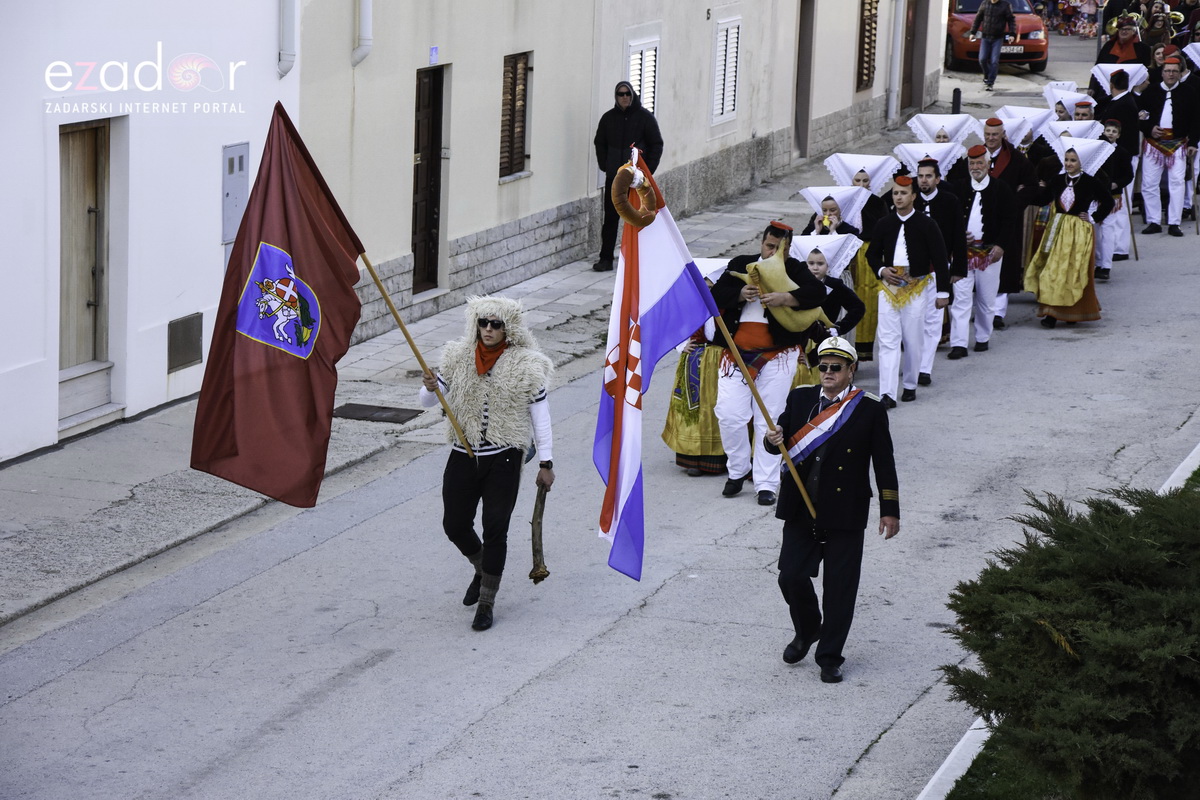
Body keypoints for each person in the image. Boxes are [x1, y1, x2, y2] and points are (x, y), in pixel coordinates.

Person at [763, 335, 899, 684]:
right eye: (822, 366)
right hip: (800, 508)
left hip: (845, 511)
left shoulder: (868, 408)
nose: (827, 372)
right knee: (790, 576)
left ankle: (829, 657)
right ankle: (808, 628)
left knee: (840, 588)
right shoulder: (801, 398)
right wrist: (771, 439)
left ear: (851, 370)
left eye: (835, 368)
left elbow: (884, 462)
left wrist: (890, 509)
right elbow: (779, 440)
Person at [418, 296, 554, 631]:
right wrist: (429, 387)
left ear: (508, 328)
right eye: (483, 323)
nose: (489, 330)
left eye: (496, 324)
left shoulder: (528, 364)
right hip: (463, 454)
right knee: (455, 524)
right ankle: (481, 569)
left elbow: (541, 418)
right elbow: (424, 401)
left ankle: (487, 602)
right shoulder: (457, 358)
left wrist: (546, 463)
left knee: (496, 528)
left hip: (504, 458)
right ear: (475, 324)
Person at [710, 222, 827, 506]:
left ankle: (767, 483)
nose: (772, 252)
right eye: (768, 246)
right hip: (737, 354)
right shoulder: (742, 264)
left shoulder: (795, 269)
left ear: (786, 249)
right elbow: (715, 296)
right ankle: (738, 470)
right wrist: (740, 295)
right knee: (728, 414)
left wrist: (785, 297)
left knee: (770, 420)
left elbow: (817, 294)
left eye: (778, 248)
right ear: (762, 243)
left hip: (779, 353)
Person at [866, 176, 950, 407]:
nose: (899, 197)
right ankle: (888, 393)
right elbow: (872, 254)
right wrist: (882, 269)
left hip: (917, 285)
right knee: (888, 340)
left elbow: (940, 259)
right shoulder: (884, 223)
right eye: (895, 193)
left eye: (903, 193)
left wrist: (943, 291)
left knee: (912, 339)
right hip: (889, 287)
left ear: (913, 196)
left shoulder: (927, 224)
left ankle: (910, 383)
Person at [1024, 140, 1116, 327]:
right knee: (1053, 270)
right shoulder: (1058, 180)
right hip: (1057, 228)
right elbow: (1043, 199)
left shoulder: (1090, 182)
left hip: (1078, 231)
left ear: (1081, 162)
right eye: (1066, 160)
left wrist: (1093, 217)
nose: (1068, 164)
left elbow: (1108, 202)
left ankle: (1071, 312)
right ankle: (1051, 313)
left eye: (1073, 160)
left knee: (1073, 271)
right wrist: (1026, 192)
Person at [948, 146, 1020, 358]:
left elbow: (1010, 221)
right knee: (961, 299)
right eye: (972, 163)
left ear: (989, 165)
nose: (976, 167)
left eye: (980, 163)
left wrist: (1001, 245)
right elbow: (950, 220)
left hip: (990, 253)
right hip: (963, 253)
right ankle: (959, 344)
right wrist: (957, 239)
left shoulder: (1001, 189)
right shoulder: (958, 188)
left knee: (986, 299)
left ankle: (982, 337)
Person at [661, 265, 728, 477]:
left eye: (711, 287)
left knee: (718, 407)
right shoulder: (689, 305)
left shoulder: (726, 306)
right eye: (703, 287)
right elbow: (672, 324)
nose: (707, 292)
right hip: (694, 363)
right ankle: (691, 457)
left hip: (719, 361)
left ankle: (717, 458)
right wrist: (682, 345)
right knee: (692, 408)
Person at [592, 82, 663, 272]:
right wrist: (605, 165)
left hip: (638, 180)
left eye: (627, 94)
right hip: (615, 179)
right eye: (620, 94)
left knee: (643, 216)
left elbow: (656, 144)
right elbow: (599, 143)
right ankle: (606, 258)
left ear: (633, 96)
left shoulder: (645, 118)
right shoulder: (608, 118)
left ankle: (643, 258)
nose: (624, 97)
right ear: (616, 97)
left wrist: (648, 171)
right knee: (611, 219)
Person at [914, 156, 968, 381]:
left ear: (937, 178)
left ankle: (924, 369)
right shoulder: (909, 200)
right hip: (912, 271)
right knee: (913, 321)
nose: (924, 180)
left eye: (928, 176)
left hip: (939, 268)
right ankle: (913, 363)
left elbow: (958, 238)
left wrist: (958, 269)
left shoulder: (950, 201)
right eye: (920, 176)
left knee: (933, 321)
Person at [1139, 57, 1198, 237]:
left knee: (1177, 183)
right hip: (1153, 144)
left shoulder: (1190, 92)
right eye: (1167, 70)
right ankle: (1154, 221)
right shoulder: (1150, 91)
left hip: (1179, 144)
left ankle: (1174, 222)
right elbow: (1140, 115)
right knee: (1149, 184)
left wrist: (1194, 142)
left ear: (1180, 73)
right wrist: (1149, 128)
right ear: (1162, 72)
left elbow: (1197, 119)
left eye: (1174, 71)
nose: (1170, 74)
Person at [1094, 121, 1135, 280]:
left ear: (1118, 135)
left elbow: (1128, 175)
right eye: (1108, 130)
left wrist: (1117, 183)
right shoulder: (1097, 149)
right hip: (1096, 196)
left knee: (1108, 230)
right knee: (1096, 231)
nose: (1110, 133)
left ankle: (1106, 265)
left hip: (1112, 197)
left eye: (1114, 131)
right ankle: (1097, 262)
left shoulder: (1122, 153)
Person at [970, 0, 1018, 92]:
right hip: (986, 37)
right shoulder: (985, 4)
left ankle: (990, 82)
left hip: (998, 38)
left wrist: (1012, 34)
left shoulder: (1005, 5)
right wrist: (973, 32)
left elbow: (1011, 20)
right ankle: (987, 76)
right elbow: (978, 18)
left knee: (994, 61)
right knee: (982, 59)